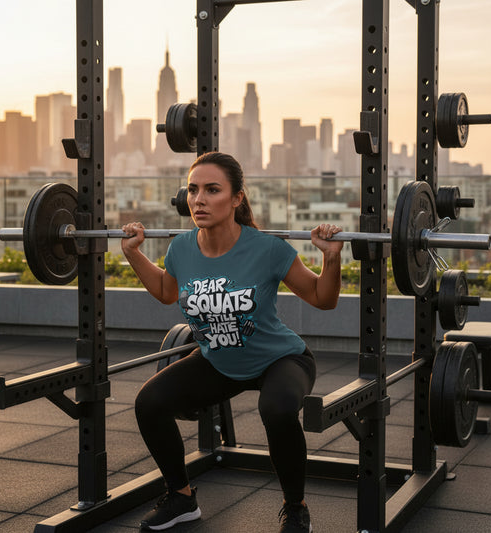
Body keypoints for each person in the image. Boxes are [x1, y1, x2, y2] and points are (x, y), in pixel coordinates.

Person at [122, 152, 343, 533]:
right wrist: (133, 254)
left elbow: (323, 299)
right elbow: (164, 290)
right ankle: (181, 498)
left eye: (212, 190)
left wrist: (332, 260)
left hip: (281, 359)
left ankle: (296, 507)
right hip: (219, 361)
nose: (198, 200)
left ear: (237, 198)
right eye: (192, 190)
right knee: (149, 402)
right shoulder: (182, 248)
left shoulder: (268, 248)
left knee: (275, 409)